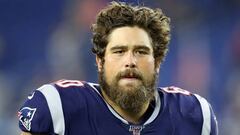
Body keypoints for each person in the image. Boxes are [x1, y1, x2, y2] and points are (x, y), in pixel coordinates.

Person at [18, 1, 218, 135]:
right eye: (119, 51)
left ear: (157, 61)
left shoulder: (193, 115)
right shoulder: (58, 107)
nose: (130, 61)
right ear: (100, 61)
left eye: (140, 51)